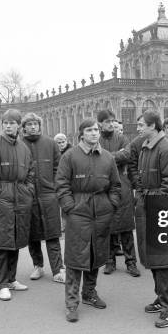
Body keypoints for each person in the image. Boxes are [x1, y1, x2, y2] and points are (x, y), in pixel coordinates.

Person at [56, 118, 121, 323]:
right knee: (75, 259)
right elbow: (61, 185)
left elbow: (116, 186)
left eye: (96, 130)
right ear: (81, 134)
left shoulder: (108, 157)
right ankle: (71, 303)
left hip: (101, 212)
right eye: (89, 130)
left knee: (96, 255)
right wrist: (70, 207)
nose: (94, 133)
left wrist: (111, 205)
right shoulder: (70, 156)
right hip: (78, 212)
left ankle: (89, 293)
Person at [135, 110, 168, 328]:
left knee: (163, 260)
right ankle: (161, 298)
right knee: (153, 257)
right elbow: (141, 176)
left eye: (141, 125)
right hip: (148, 205)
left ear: (153, 126)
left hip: (160, 210)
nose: (138, 128)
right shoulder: (147, 146)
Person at [0, 109, 34, 301]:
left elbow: (31, 173)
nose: (8, 126)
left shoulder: (24, 148)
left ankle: (11, 279)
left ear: (19, 125)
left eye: (12, 123)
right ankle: (2, 284)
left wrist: (28, 191)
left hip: (21, 198)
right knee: (2, 243)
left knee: (16, 240)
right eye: (5, 123)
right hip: (2, 200)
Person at [21, 113, 66, 283]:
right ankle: (37, 266)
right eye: (29, 124)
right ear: (24, 127)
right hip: (29, 196)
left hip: (49, 195)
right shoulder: (19, 145)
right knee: (32, 235)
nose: (33, 127)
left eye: (36, 124)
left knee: (52, 233)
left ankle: (58, 269)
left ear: (40, 126)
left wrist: (55, 189)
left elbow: (58, 168)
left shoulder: (50, 144)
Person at [96, 109, 140, 277]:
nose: (111, 124)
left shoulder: (122, 138)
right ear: (100, 123)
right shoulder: (96, 139)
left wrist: (105, 157)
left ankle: (131, 262)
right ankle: (109, 261)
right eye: (107, 121)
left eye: (112, 121)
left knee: (126, 226)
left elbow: (127, 155)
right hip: (103, 186)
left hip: (122, 185)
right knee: (107, 225)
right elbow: (93, 159)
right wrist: (116, 155)